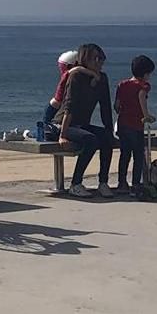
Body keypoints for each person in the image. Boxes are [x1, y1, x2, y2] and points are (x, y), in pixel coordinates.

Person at [57, 44, 116, 198]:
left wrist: (109, 130)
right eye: (94, 58)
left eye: (100, 58)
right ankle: (75, 184)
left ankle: (103, 182)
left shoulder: (102, 78)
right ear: (85, 59)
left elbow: (105, 106)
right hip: (64, 124)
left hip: (82, 125)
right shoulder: (76, 77)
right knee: (91, 140)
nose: (98, 62)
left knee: (106, 138)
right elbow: (69, 106)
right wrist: (62, 135)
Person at [114, 55, 155, 196]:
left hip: (122, 124)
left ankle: (122, 183)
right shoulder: (143, 86)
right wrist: (146, 116)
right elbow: (141, 98)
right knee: (138, 155)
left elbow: (117, 105)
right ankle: (136, 184)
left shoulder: (122, 84)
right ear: (146, 74)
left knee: (124, 154)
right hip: (136, 125)